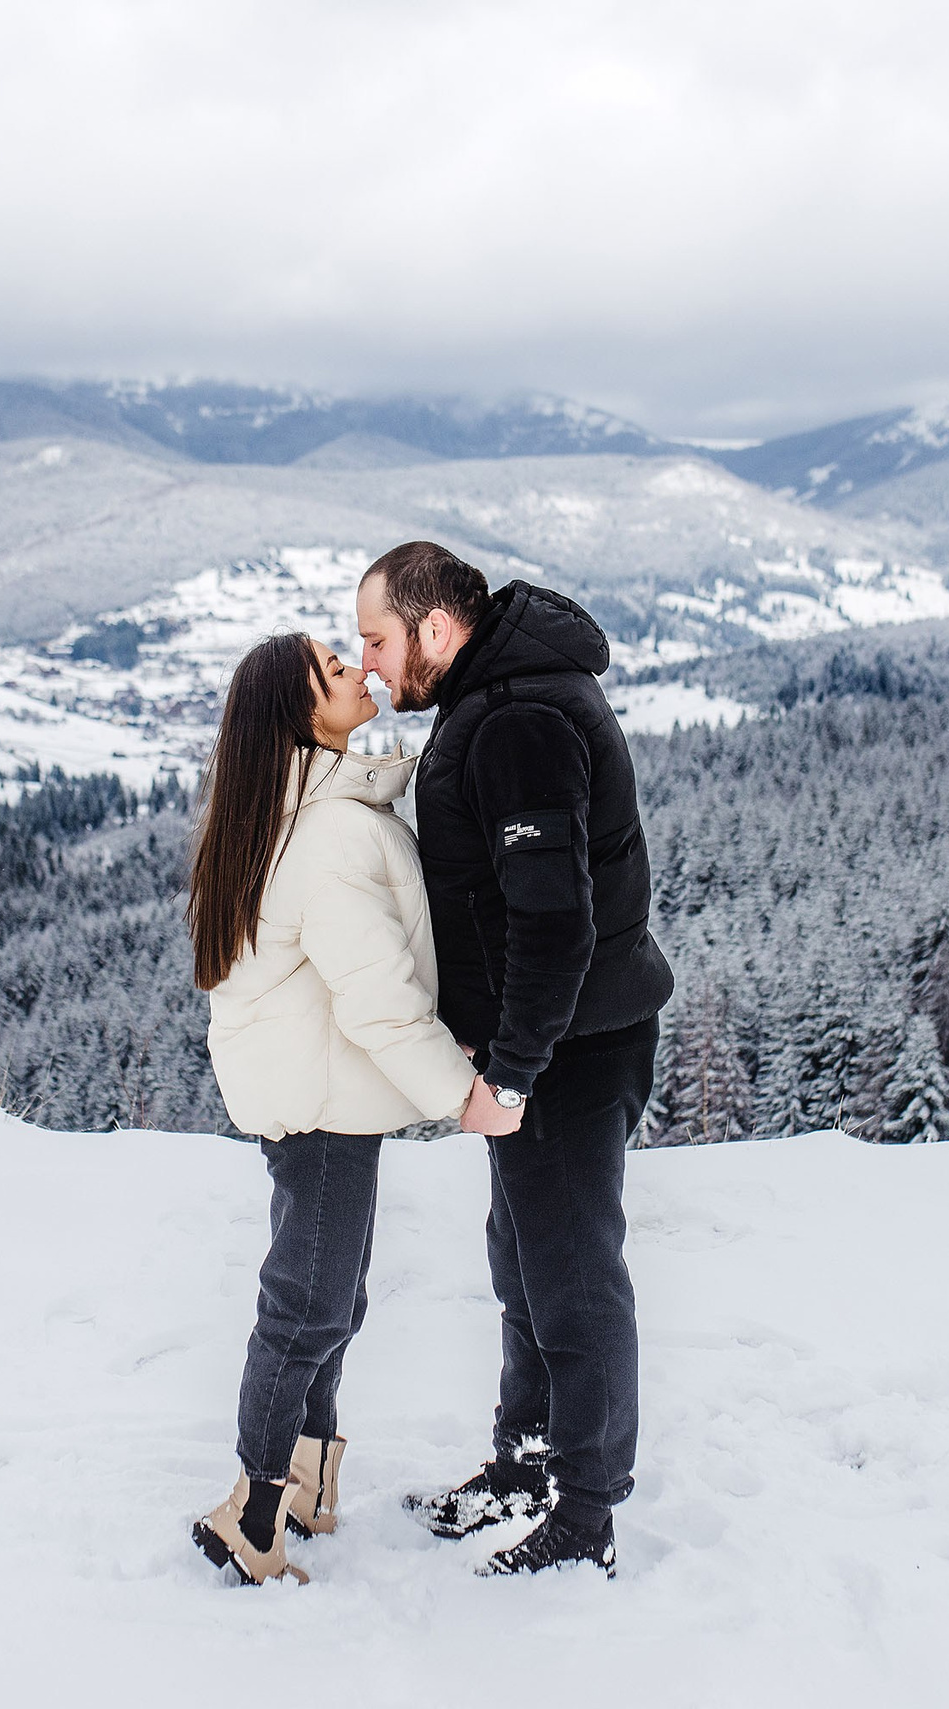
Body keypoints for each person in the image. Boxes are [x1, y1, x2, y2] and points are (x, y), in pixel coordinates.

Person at [357, 541, 673, 1579]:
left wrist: (516, 1068)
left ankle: (586, 1513)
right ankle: (528, 1456)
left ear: (435, 630)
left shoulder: (518, 718)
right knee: (527, 1260)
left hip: (571, 1046)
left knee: (573, 1277)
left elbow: (552, 918)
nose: (368, 662)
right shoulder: (492, 695)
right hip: (547, 1036)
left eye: (377, 638)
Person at [183, 632, 504, 1586]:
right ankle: (253, 1512)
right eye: (334, 670)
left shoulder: (312, 807)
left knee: (332, 1296)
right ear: (299, 716)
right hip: (322, 1102)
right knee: (308, 1305)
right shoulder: (323, 834)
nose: (359, 671)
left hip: (324, 1097)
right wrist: (462, 1094)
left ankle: (309, 1480)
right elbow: (377, 993)